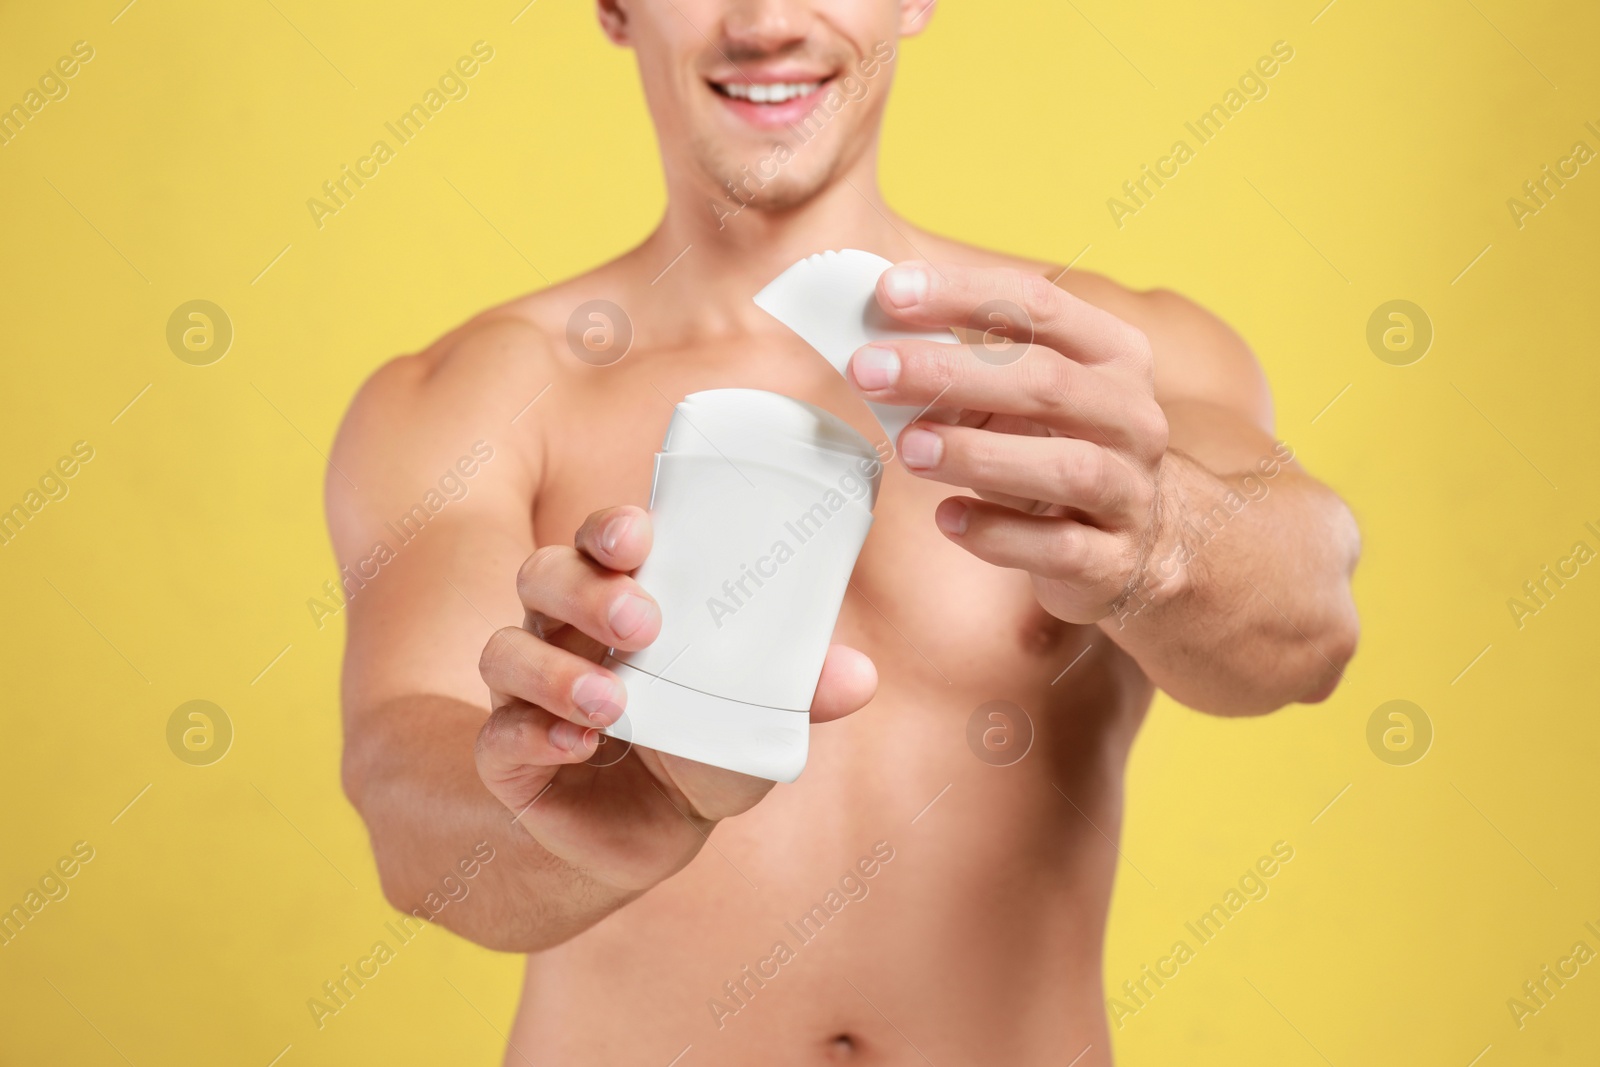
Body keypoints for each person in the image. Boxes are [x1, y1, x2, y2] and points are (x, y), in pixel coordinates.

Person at [327, 1, 1361, 1062]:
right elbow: (408, 803)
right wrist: (575, 827)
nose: (768, 19)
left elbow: (1310, 621)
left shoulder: (1100, 363)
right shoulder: (479, 395)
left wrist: (1161, 541)